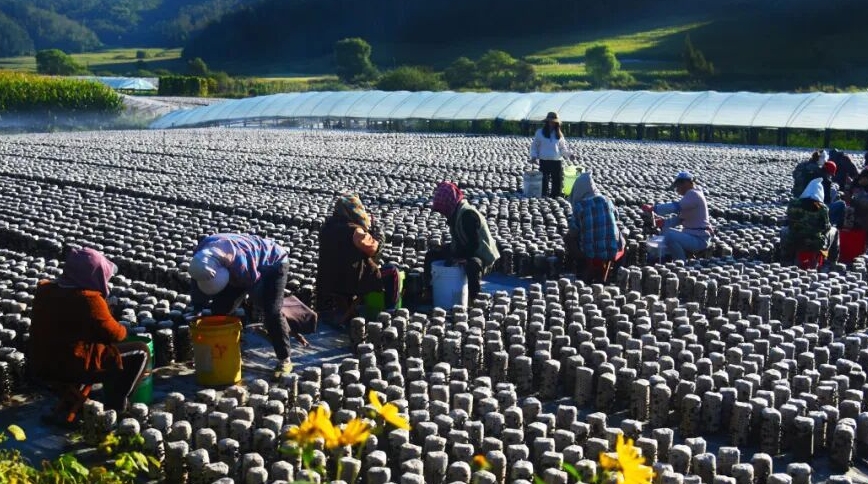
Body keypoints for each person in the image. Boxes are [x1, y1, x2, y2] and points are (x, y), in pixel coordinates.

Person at [29, 248, 150, 416]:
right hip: (70, 366)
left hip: (42, 362)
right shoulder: (89, 299)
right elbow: (116, 335)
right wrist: (121, 324)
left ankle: (72, 400)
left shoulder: (45, 290)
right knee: (141, 351)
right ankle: (117, 404)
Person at [188, 234, 293, 376]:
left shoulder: (242, 266)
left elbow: (254, 290)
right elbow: (197, 280)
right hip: (238, 263)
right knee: (220, 309)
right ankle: (227, 350)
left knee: (271, 311)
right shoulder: (200, 259)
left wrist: (267, 311)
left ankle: (284, 358)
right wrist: (197, 308)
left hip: (273, 261)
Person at [316, 193, 400, 318]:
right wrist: (378, 236)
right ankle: (391, 310)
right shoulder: (355, 231)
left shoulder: (326, 227)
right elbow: (374, 250)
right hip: (349, 282)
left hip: (327, 279)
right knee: (392, 271)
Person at [425, 181, 500, 301]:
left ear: (448, 204)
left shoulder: (467, 215)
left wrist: (460, 258)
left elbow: (474, 244)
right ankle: (430, 290)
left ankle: (474, 297)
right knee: (432, 254)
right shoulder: (454, 213)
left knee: (472, 265)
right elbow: (460, 241)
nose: (443, 214)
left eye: (443, 210)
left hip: (481, 254)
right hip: (463, 248)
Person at [563, 172, 625, 283]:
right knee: (621, 232)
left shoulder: (579, 206)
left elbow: (573, 231)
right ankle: (616, 272)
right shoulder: (607, 200)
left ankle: (579, 267)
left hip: (590, 253)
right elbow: (616, 218)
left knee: (568, 238)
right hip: (612, 250)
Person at [641, 171, 713, 261]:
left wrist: (654, 208)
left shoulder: (693, 194)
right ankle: (665, 259)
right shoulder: (690, 196)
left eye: (678, 186)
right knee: (665, 232)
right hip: (693, 235)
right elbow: (680, 219)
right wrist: (663, 223)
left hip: (699, 239)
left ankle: (680, 263)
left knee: (670, 236)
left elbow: (675, 207)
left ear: (686, 183)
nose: (677, 190)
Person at [782, 178, 838, 266]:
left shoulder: (794, 203)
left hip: (794, 239)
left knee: (784, 231)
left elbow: (788, 220)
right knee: (834, 230)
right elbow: (826, 227)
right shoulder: (822, 208)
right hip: (816, 243)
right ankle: (831, 262)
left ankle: (786, 258)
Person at [530, 111, 573, 197]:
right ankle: (543, 194)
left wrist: (569, 155)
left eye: (554, 122)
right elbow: (535, 145)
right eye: (550, 121)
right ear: (547, 122)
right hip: (544, 160)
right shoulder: (540, 133)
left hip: (556, 160)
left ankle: (555, 195)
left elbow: (562, 148)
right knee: (544, 179)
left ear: (557, 123)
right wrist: (534, 156)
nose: (552, 123)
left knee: (557, 179)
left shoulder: (559, 135)